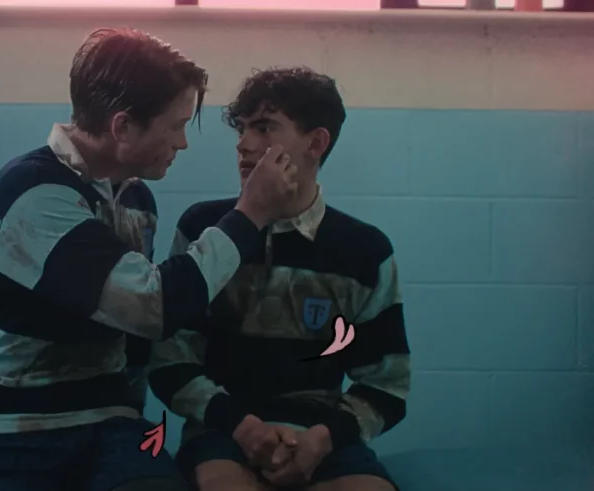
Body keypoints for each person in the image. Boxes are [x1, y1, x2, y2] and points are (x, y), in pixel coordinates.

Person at [0, 28, 299, 491]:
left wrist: (229, 421)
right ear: (123, 126)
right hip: (11, 426)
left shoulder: (134, 200)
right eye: (175, 125)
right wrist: (251, 213)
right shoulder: (32, 193)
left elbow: (136, 344)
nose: (182, 143)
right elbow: (156, 307)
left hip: (113, 422)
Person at [148, 67, 411, 491]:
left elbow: (387, 384)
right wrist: (243, 428)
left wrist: (320, 441)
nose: (244, 144)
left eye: (264, 128)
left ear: (316, 143)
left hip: (323, 437)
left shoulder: (364, 251)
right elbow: (169, 361)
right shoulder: (204, 231)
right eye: (242, 129)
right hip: (224, 432)